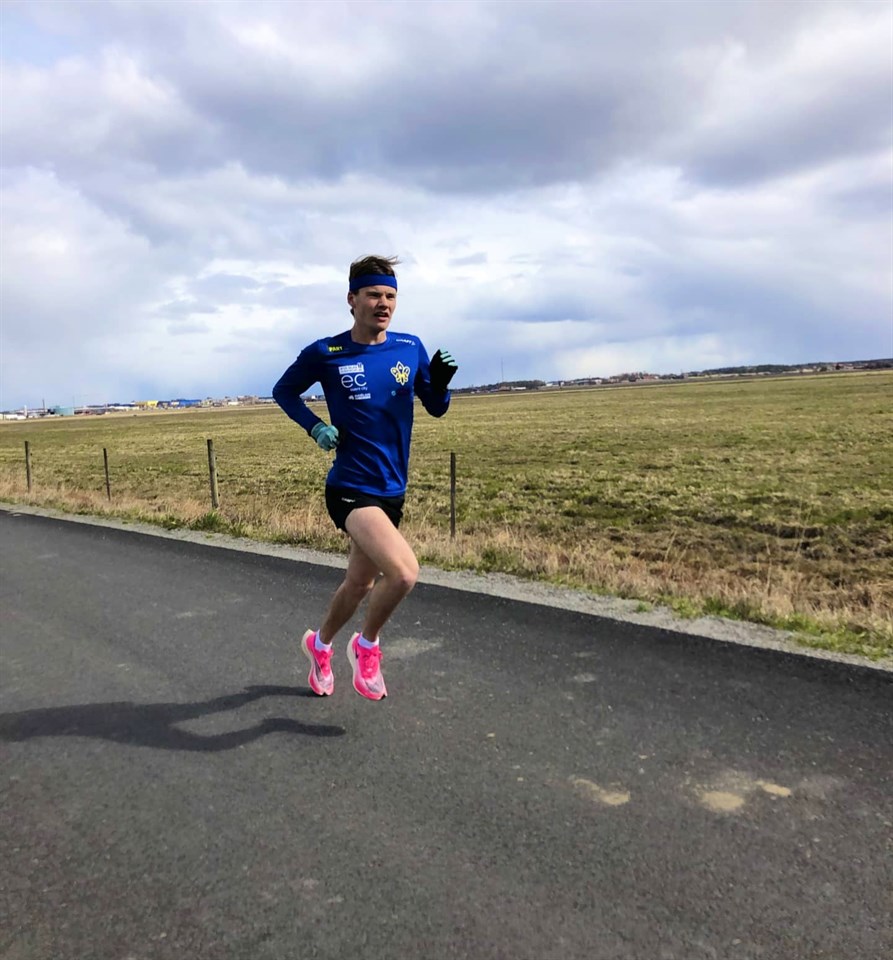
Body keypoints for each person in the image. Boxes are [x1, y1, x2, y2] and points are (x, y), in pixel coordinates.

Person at [272, 255, 458, 701]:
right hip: (350, 488)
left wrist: (442, 383)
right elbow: (284, 391)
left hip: (392, 489)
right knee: (404, 573)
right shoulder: (326, 353)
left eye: (391, 295)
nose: (383, 303)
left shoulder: (409, 347)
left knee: (360, 583)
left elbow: (435, 407)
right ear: (352, 299)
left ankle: (320, 646)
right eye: (374, 294)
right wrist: (315, 427)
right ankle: (366, 645)